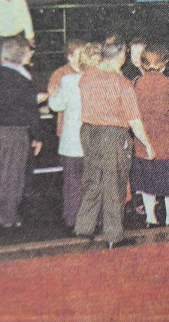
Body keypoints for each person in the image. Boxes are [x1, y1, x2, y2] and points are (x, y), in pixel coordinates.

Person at [74, 40, 154, 248]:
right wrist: (146, 144)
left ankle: (84, 227)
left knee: (92, 180)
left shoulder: (87, 76)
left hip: (89, 132)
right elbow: (134, 120)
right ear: (121, 56)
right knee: (115, 184)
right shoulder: (121, 82)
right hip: (112, 135)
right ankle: (113, 235)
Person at [0, 37, 43, 228]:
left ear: (3, 54)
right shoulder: (23, 80)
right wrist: (37, 136)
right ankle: (9, 216)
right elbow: (31, 111)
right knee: (13, 175)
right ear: (21, 57)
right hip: (14, 131)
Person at [48, 43, 101, 228]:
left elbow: (55, 105)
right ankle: (93, 219)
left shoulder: (69, 81)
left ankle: (72, 219)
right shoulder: (102, 81)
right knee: (94, 183)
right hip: (94, 142)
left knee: (71, 183)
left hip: (71, 143)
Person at [131, 44, 169, 228]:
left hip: (143, 141)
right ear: (164, 65)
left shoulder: (135, 83)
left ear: (143, 65)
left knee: (146, 182)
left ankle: (150, 217)